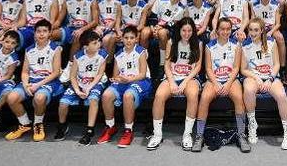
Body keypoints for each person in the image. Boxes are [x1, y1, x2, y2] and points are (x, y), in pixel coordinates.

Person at [192, 17, 250, 153]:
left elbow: (236, 68)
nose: (225, 32)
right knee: (205, 98)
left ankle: (241, 134)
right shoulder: (209, 46)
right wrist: (217, 84)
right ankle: (199, 135)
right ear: (217, 30)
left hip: (231, 79)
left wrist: (228, 84)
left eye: (228, 29)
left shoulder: (236, 45)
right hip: (214, 80)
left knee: (238, 97)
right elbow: (208, 69)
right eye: (222, 29)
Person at [147, 17, 202, 151]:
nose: (187, 33)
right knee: (159, 95)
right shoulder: (172, 42)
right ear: (179, 30)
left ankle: (187, 135)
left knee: (193, 95)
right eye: (184, 30)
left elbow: (198, 67)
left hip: (190, 78)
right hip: (173, 76)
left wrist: (184, 82)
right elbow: (166, 64)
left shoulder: (198, 43)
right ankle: (157, 134)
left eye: (189, 30)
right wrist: (171, 82)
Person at [4, 20, 62, 142]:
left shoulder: (55, 49)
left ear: (50, 33)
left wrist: (37, 85)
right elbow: (25, 72)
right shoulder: (29, 49)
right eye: (39, 31)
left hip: (48, 81)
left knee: (39, 98)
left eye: (45, 31)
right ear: (34, 33)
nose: (41, 34)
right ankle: (24, 124)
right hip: (31, 80)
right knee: (12, 97)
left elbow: (56, 72)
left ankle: (38, 124)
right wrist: (25, 84)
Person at [240, 18, 287, 150]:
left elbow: (276, 64)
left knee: (281, 96)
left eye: (256, 30)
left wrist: (269, 79)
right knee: (248, 89)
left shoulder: (271, 42)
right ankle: (252, 124)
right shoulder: (244, 45)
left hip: (270, 76)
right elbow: (243, 69)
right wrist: (257, 78)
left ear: (262, 30)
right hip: (253, 76)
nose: (253, 33)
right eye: (250, 30)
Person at [98, 26, 152, 147]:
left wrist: (129, 79)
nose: (128, 40)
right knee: (106, 95)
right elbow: (115, 75)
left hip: (141, 81)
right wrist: (116, 79)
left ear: (136, 39)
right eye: (126, 38)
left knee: (128, 95)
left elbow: (143, 74)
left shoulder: (141, 51)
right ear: (121, 39)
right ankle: (110, 126)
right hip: (124, 82)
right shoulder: (118, 54)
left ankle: (128, 130)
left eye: (131, 38)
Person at [55, 30, 107, 143]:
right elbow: (72, 76)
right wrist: (78, 90)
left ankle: (90, 130)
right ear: (85, 46)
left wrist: (89, 88)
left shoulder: (102, 54)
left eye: (99, 41)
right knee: (63, 103)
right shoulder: (78, 57)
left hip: (96, 82)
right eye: (94, 43)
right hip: (79, 83)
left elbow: (99, 74)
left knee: (93, 99)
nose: (98, 44)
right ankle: (62, 125)